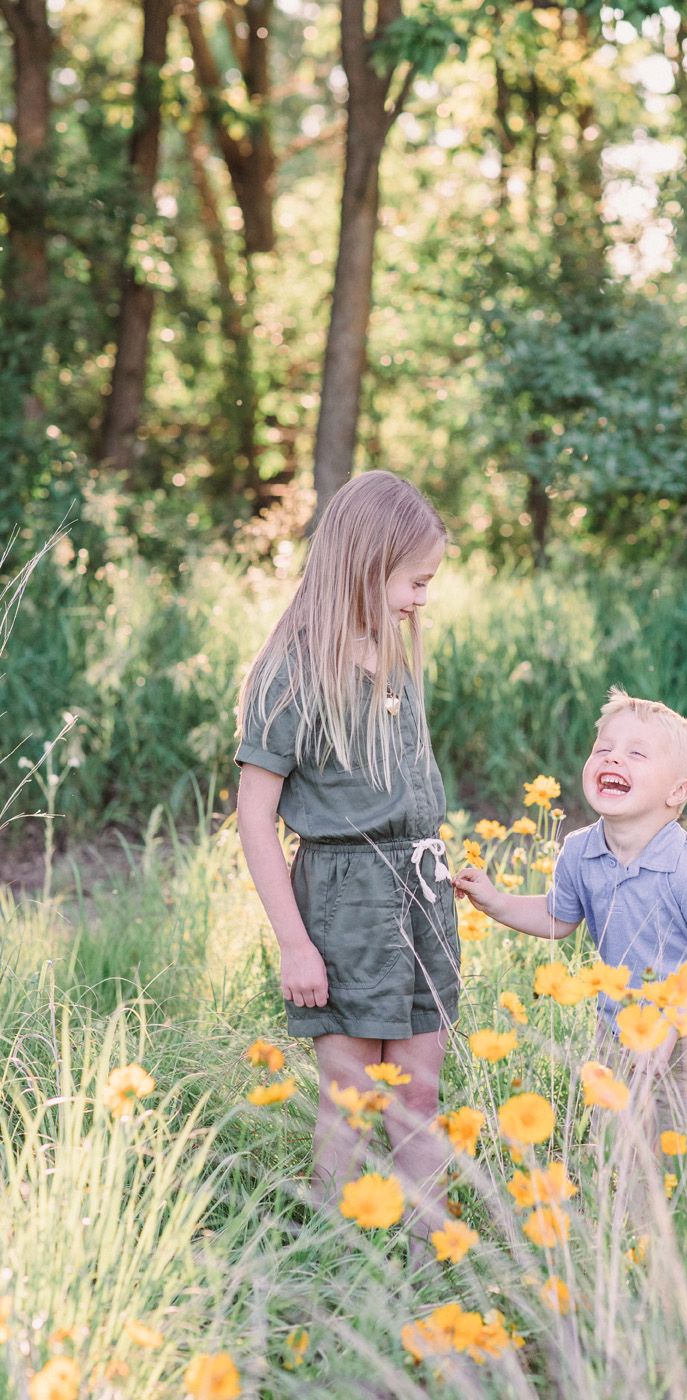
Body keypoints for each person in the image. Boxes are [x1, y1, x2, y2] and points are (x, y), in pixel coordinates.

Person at [234, 471, 459, 1262]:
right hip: (343, 904)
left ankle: (441, 1265)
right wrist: (297, 945)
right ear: (367, 565)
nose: (421, 599)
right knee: (352, 1102)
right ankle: (333, 1264)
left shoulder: (392, 653)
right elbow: (254, 817)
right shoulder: (291, 672)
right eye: (416, 581)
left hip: (421, 894)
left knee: (419, 1095)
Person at [454, 687, 687, 1207]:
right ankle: (635, 1252)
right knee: (628, 1156)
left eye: (637, 753)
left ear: (678, 791)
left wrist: (673, 1019)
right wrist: (495, 903)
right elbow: (557, 916)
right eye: (603, 748)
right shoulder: (580, 852)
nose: (613, 757)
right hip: (618, 1033)